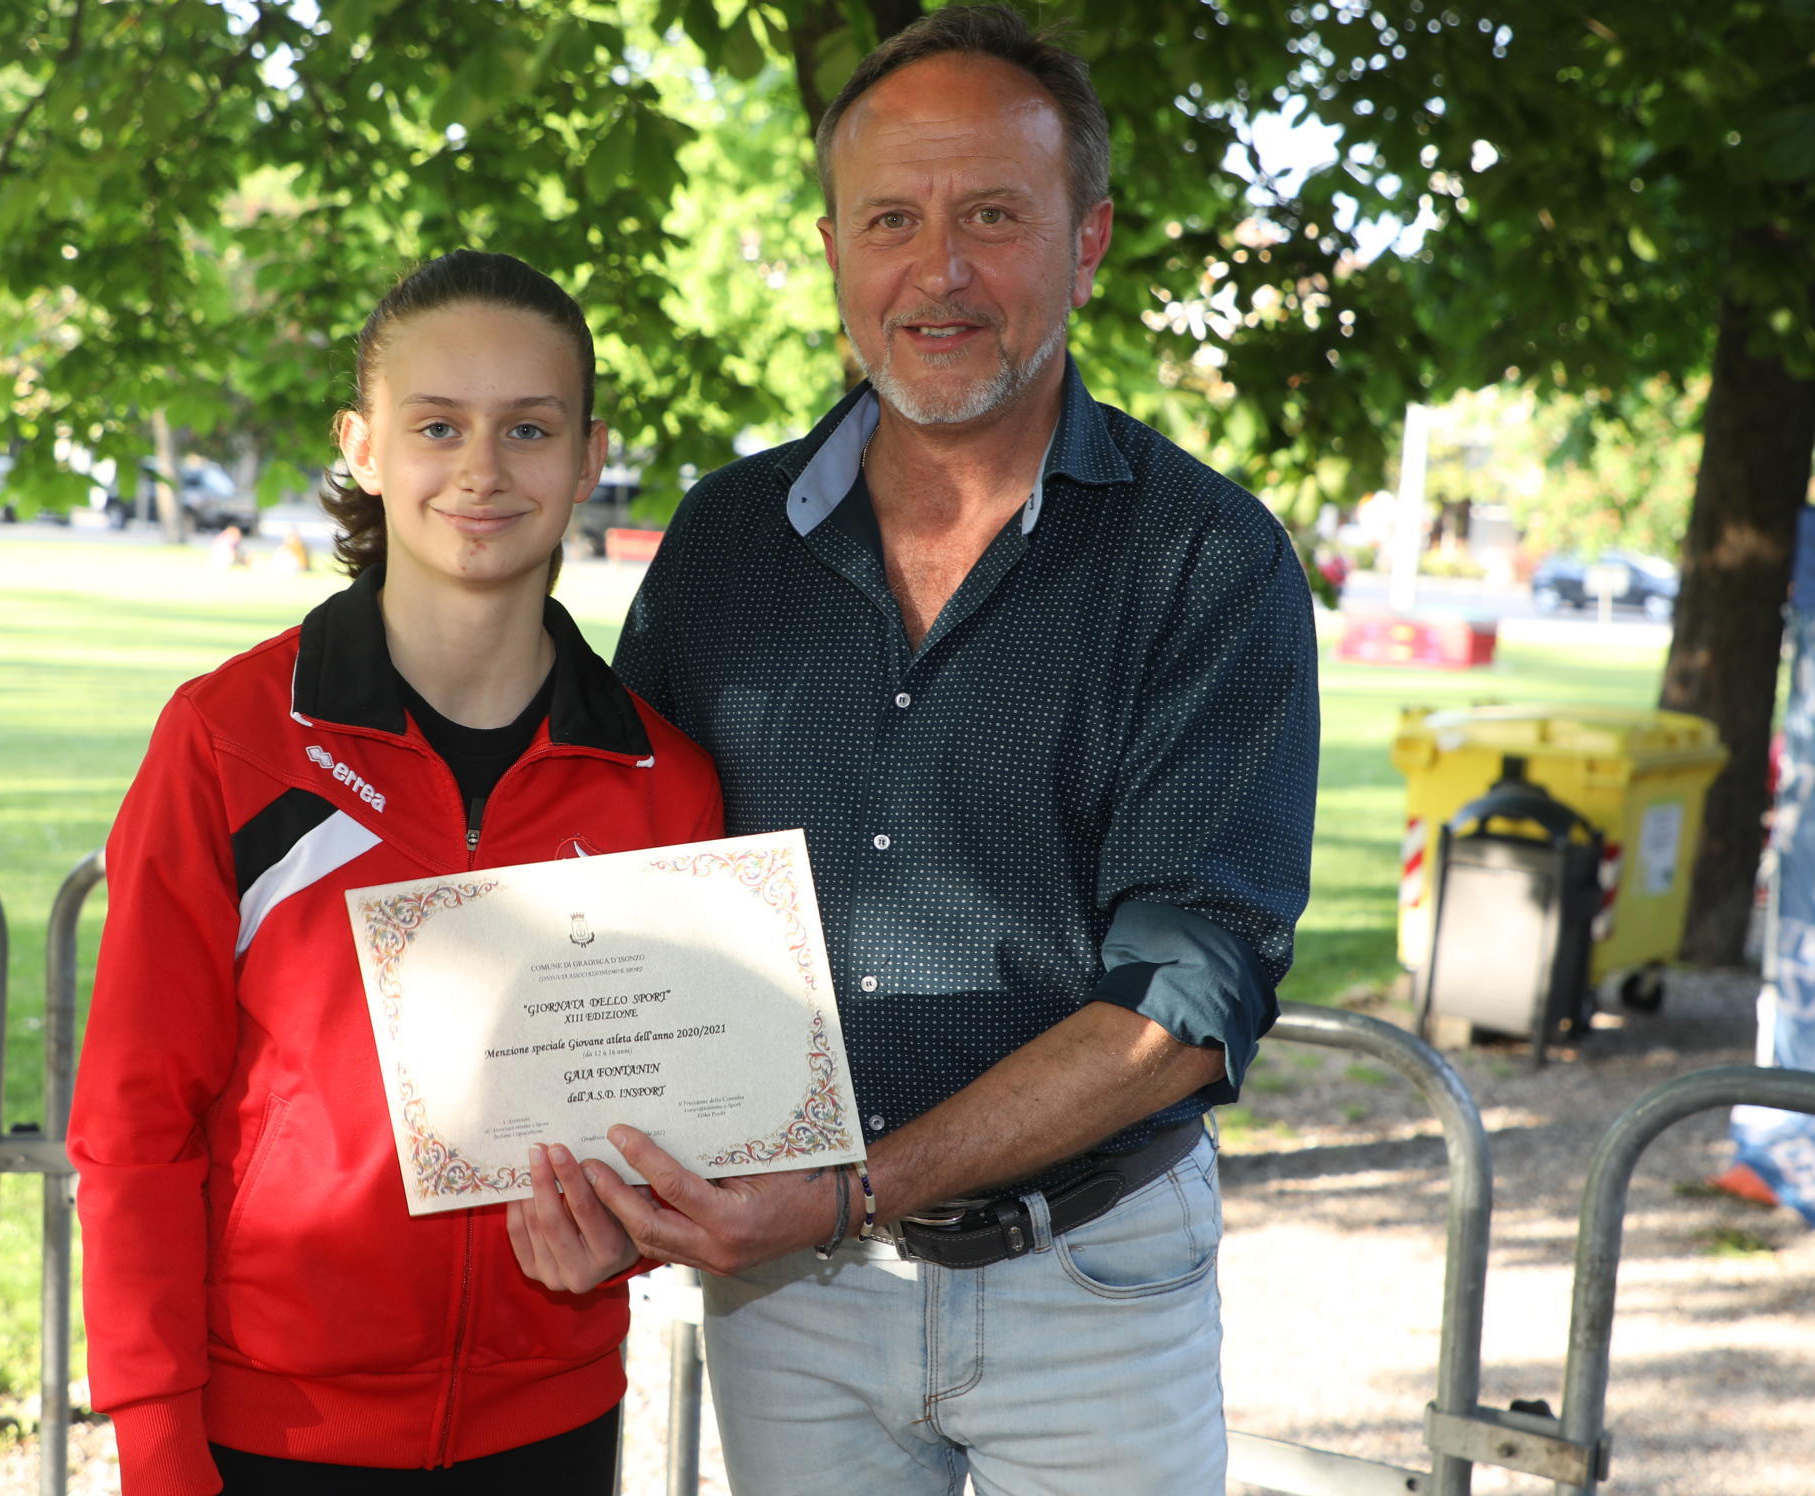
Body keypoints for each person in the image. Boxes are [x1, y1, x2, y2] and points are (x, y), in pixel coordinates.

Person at [510, 8, 1319, 1493]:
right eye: (893, 218)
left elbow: (1188, 994)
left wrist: (849, 1193)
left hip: (1088, 1285)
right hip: (791, 1311)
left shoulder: (1204, 558)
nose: (938, 271)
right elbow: (622, 889)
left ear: (1088, 245)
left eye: (993, 217)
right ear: (833, 251)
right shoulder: (723, 545)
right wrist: (563, 1143)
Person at [68, 250, 723, 1496]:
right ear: (364, 446)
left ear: (590, 457)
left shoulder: (660, 780)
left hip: (551, 1423)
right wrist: (155, 1439)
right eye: (438, 425)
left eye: (529, 427)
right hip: (270, 1431)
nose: (482, 469)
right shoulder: (229, 739)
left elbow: (670, 1118)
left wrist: (624, 1241)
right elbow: (135, 1120)